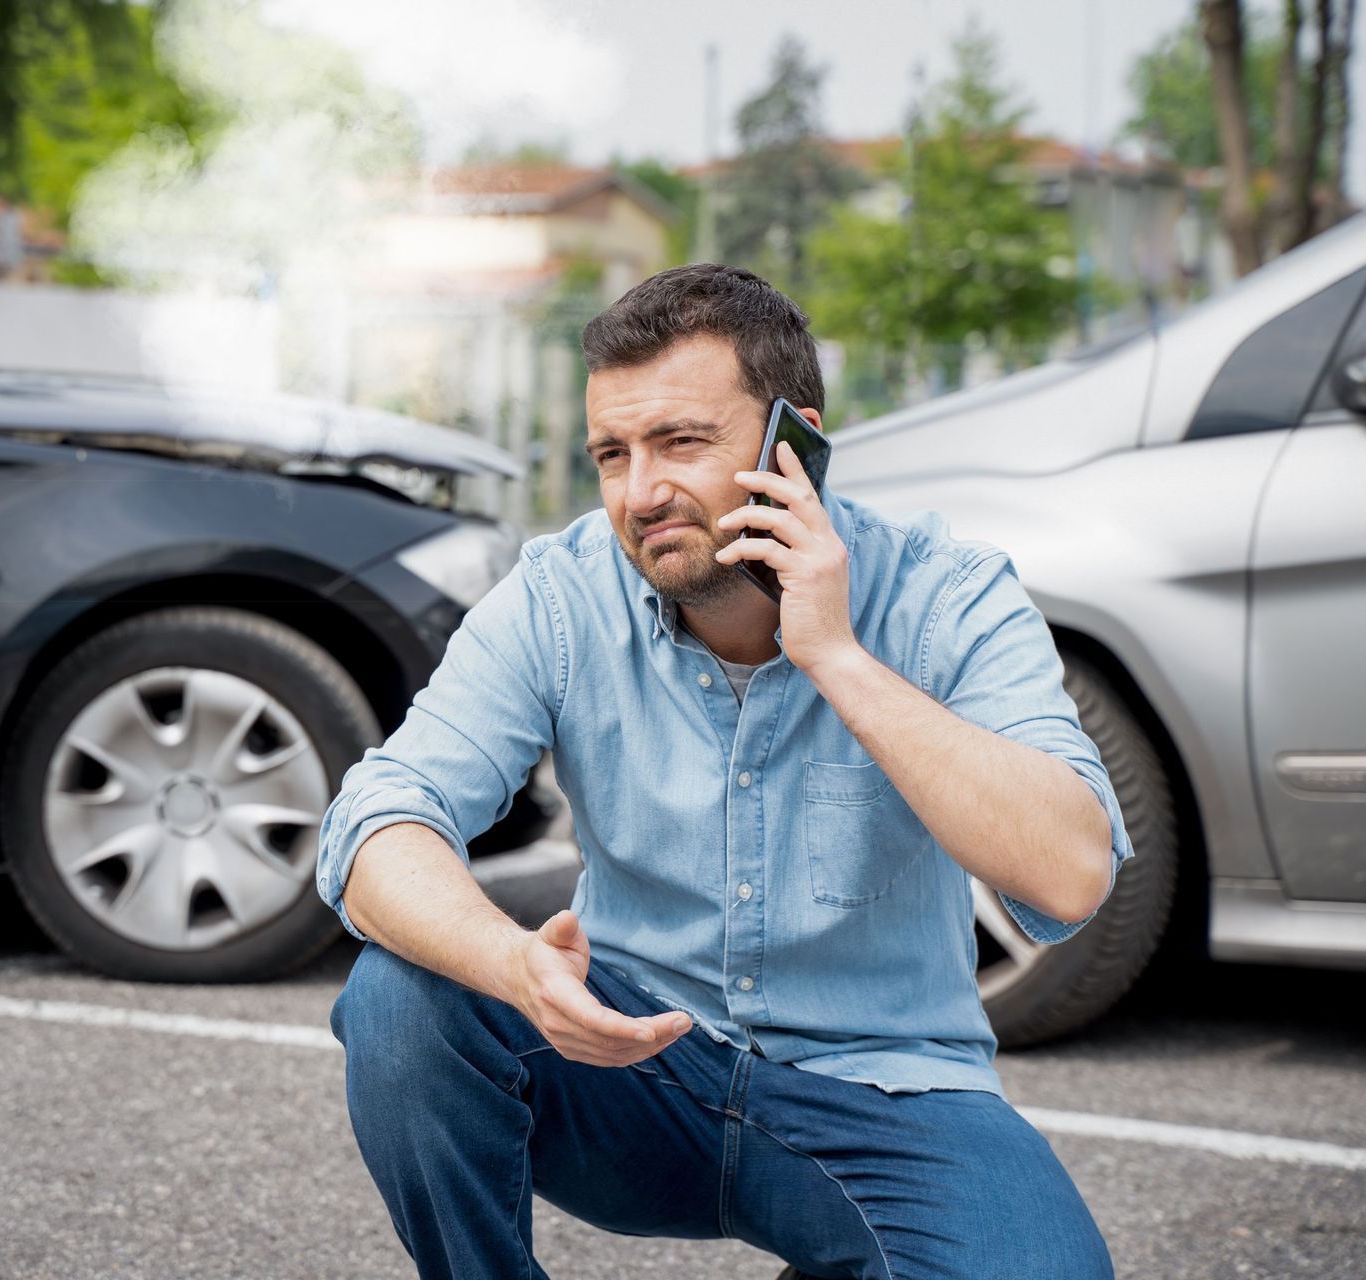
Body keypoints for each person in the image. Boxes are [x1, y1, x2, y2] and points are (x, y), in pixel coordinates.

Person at [316, 263, 1131, 1279]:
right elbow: (380, 818)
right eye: (612, 453)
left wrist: (835, 653)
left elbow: (1070, 871)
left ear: (799, 442)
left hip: (885, 1095)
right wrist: (512, 962)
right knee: (405, 996)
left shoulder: (946, 592)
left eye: (682, 441)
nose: (642, 491)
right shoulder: (563, 594)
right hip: (632, 1066)